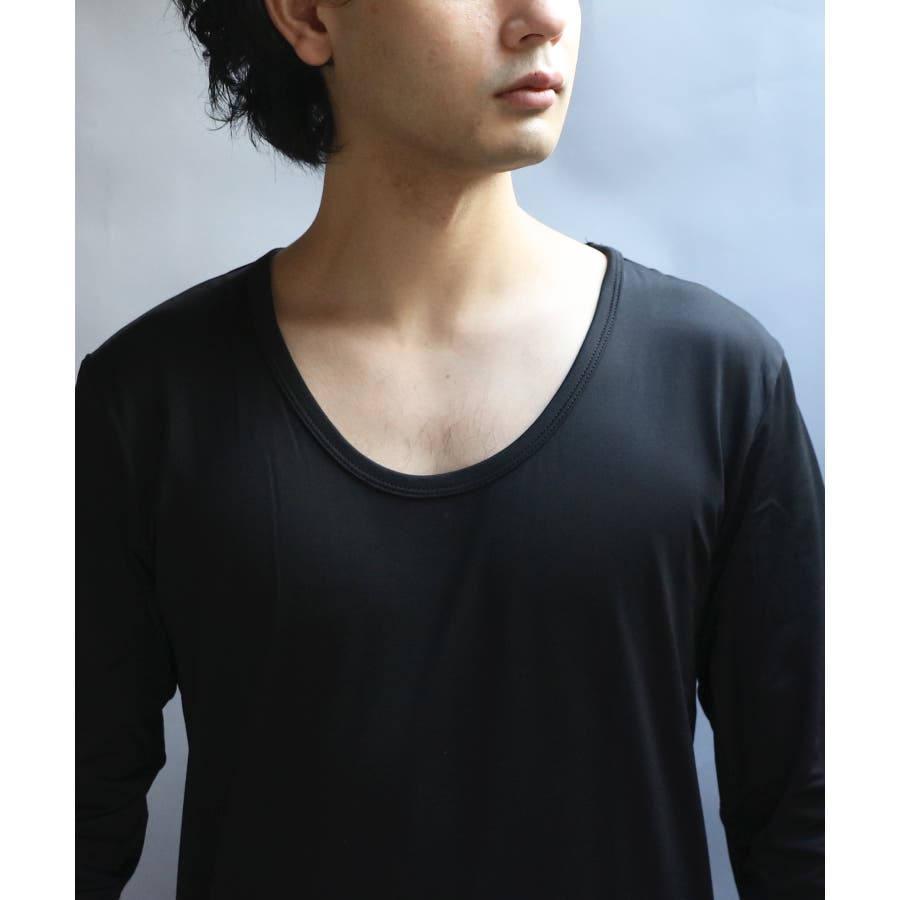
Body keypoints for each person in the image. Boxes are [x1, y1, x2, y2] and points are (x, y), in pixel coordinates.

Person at [75, 1, 825, 898]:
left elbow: (816, 829)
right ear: (309, 16)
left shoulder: (716, 379)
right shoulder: (149, 405)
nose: (542, 17)